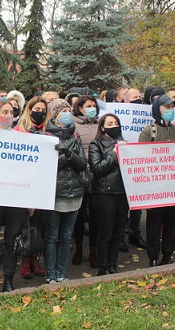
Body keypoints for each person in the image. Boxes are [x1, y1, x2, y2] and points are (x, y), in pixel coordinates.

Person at [0, 101, 29, 293]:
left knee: (12, 241)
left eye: (11, 112)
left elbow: (28, 169)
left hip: (15, 198)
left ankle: (8, 280)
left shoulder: (21, 138)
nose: (9, 115)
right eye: (4, 112)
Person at [139, 95, 175, 266]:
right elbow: (141, 158)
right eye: (166, 108)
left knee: (172, 223)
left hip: (174, 188)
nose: (170, 111)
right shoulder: (149, 131)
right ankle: (153, 257)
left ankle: (168, 255)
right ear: (157, 109)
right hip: (156, 189)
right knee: (154, 225)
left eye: (172, 108)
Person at [42, 99, 87, 282]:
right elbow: (46, 167)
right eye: (63, 111)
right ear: (54, 115)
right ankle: (50, 275)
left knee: (67, 236)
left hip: (75, 193)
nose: (68, 113)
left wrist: (69, 154)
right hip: (55, 193)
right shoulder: (46, 136)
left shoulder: (75, 136)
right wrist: (64, 159)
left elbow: (83, 164)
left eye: (69, 110)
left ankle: (61, 274)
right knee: (52, 236)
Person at [14, 97, 49, 279]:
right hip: (23, 186)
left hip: (42, 185)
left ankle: (36, 259)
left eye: (43, 109)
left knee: (39, 226)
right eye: (36, 108)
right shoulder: (18, 132)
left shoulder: (48, 133)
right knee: (25, 226)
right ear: (29, 110)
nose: (40, 112)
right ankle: (25, 260)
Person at [89, 113, 128, 275]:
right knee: (106, 233)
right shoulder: (95, 145)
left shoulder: (125, 144)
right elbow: (97, 168)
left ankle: (113, 265)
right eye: (110, 123)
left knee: (118, 233)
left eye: (116, 123)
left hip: (122, 194)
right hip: (104, 194)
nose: (114, 126)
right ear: (103, 127)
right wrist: (115, 153)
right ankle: (103, 268)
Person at [70, 96, 101, 267]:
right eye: (88, 106)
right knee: (79, 215)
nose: (92, 108)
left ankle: (93, 249)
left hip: (97, 174)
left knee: (95, 215)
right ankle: (79, 247)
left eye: (94, 106)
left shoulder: (100, 123)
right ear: (80, 108)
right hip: (79, 174)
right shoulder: (73, 126)